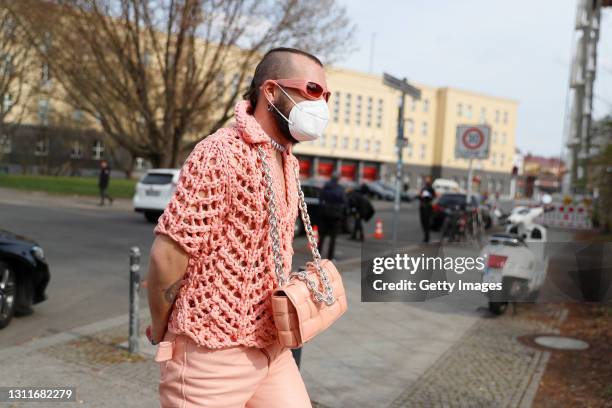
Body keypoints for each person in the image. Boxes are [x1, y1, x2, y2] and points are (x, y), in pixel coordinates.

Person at [146, 47, 331, 408]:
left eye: (326, 95)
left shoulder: (286, 161)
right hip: (209, 356)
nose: (321, 104)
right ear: (272, 91)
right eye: (312, 90)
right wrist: (162, 326)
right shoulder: (219, 153)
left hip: (272, 350)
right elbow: (167, 256)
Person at [317, 175, 347, 260]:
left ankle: (317, 256)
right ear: (337, 180)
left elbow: (320, 199)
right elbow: (344, 202)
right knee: (333, 239)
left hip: (325, 215)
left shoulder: (326, 187)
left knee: (322, 237)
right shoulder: (340, 189)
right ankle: (330, 258)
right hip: (336, 216)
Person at [418, 175, 436, 242]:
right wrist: (420, 196)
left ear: (430, 181)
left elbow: (433, 197)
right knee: (423, 222)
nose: (427, 180)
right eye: (426, 179)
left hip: (427, 207)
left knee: (426, 222)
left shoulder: (431, 189)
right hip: (422, 207)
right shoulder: (424, 188)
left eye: (428, 179)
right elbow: (420, 196)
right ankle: (425, 236)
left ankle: (427, 237)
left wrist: (428, 196)